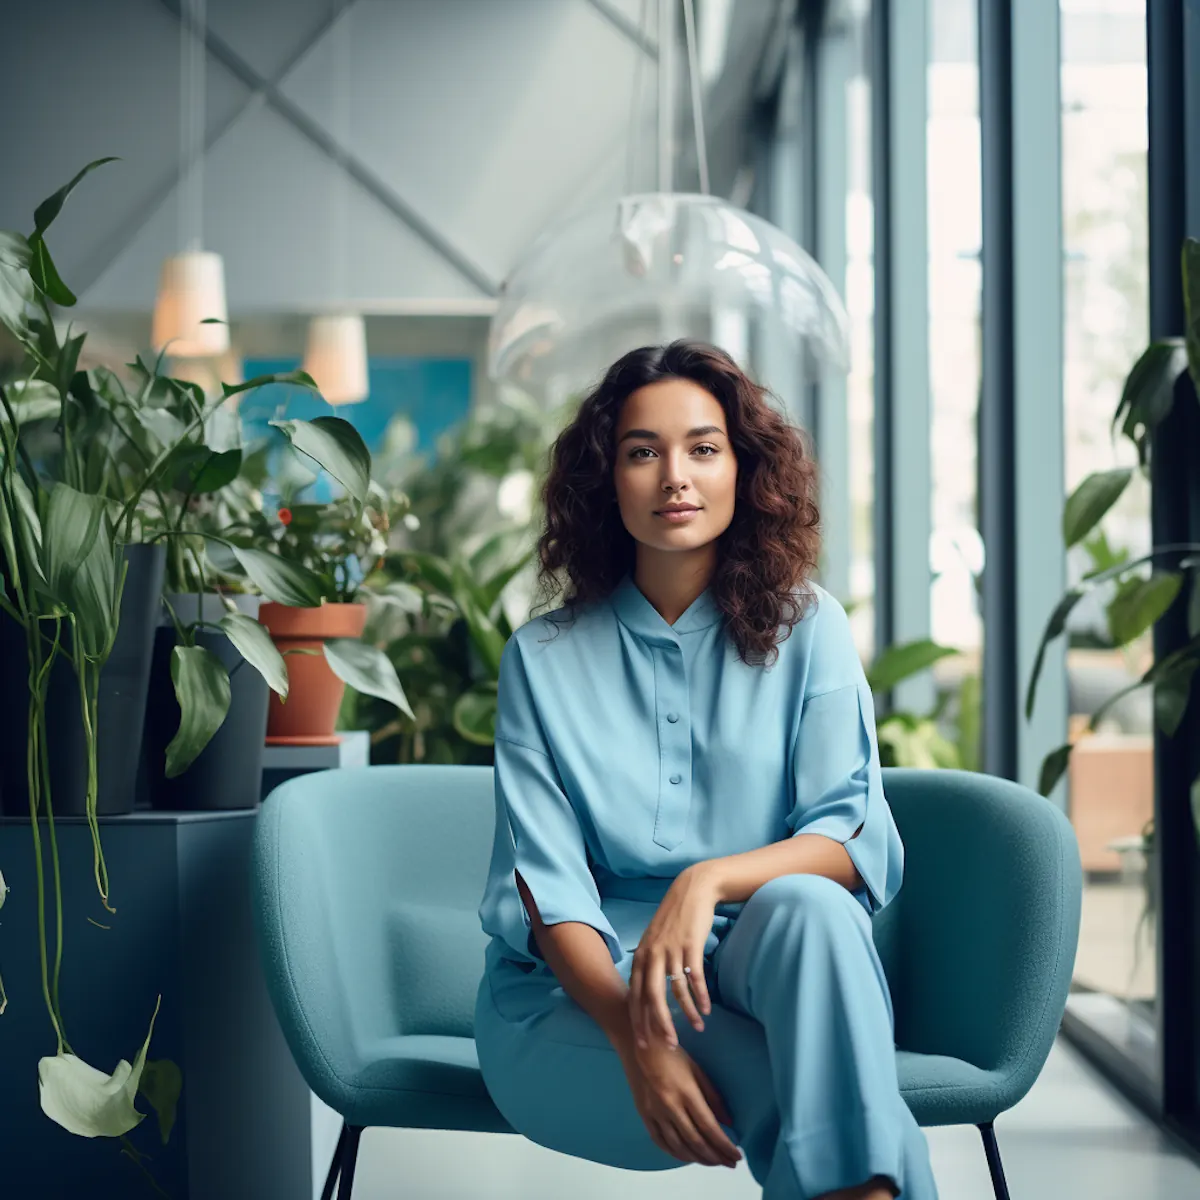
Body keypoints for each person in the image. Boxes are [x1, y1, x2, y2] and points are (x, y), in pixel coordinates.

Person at [474, 340, 938, 1199]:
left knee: (812, 905)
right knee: (821, 1101)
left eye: (704, 447)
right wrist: (639, 1038)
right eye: (643, 451)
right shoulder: (541, 657)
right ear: (607, 480)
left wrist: (708, 881)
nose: (674, 476)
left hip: (755, 961)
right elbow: (550, 891)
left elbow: (851, 835)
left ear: (743, 467)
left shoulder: (811, 627)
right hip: (577, 1001)